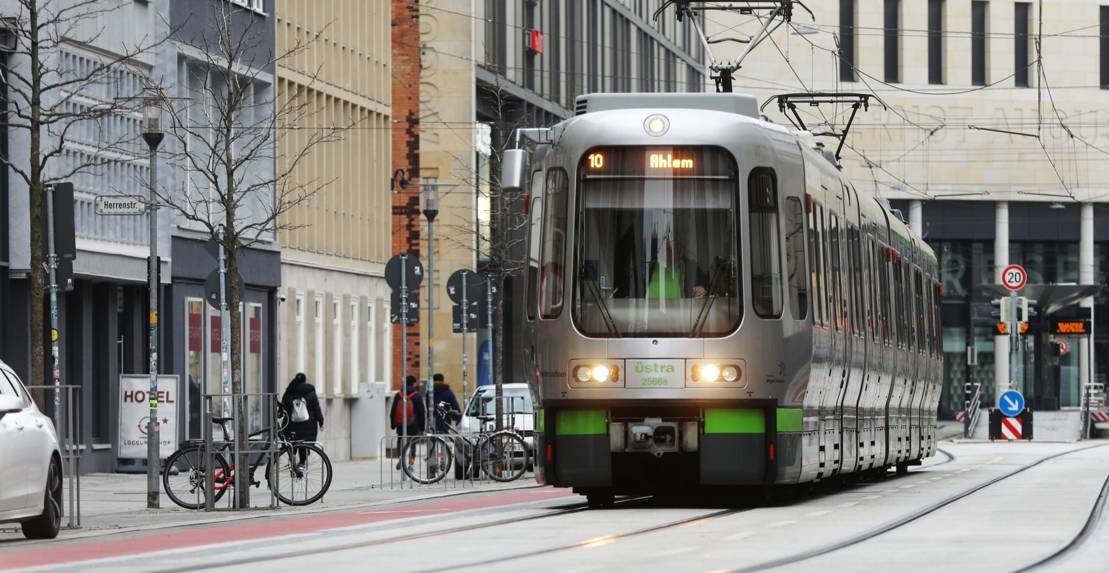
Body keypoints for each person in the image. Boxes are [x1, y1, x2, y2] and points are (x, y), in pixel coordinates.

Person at [281, 373, 324, 471]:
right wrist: (321, 422)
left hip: (291, 425)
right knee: (304, 444)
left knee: (292, 443)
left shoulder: (289, 392)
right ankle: (302, 463)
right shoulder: (310, 392)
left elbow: (284, 407)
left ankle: (292, 460)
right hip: (308, 424)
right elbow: (316, 408)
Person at [390, 375, 426, 470]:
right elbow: (422, 413)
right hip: (413, 425)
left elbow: (393, 410)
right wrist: (422, 427)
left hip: (401, 425)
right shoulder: (417, 396)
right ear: (414, 384)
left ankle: (401, 459)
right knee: (412, 445)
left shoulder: (399, 395)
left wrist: (393, 424)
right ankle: (411, 464)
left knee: (400, 442)